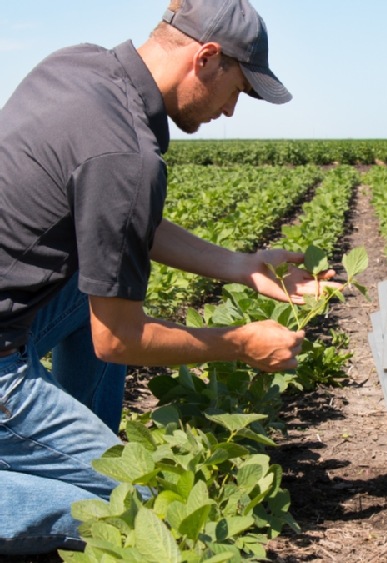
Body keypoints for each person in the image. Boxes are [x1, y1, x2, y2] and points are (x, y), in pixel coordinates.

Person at [0, 0, 338, 555]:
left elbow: (120, 221)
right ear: (206, 58)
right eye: (239, 89)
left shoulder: (79, 66)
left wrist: (240, 265)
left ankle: (84, 446)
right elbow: (118, 340)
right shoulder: (128, 153)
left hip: (17, 313)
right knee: (141, 513)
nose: (231, 111)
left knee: (106, 275)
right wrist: (241, 345)